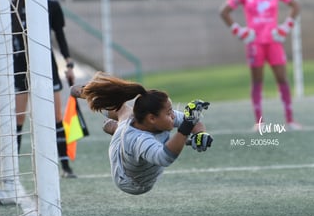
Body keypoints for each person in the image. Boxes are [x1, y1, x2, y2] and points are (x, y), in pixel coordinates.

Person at [71, 72, 213, 195]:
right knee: (123, 115)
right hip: (128, 181)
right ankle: (97, 105)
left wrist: (200, 133)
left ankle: (91, 95)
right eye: (169, 112)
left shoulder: (157, 118)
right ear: (152, 118)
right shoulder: (138, 140)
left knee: (124, 112)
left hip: (131, 135)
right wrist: (187, 126)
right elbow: (164, 158)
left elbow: (195, 122)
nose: (174, 116)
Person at [11, 0, 77, 178]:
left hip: (46, 66)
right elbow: (6, 40)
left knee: (56, 116)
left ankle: (65, 166)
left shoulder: (51, 5)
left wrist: (68, 63)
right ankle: (12, 169)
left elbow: (60, 35)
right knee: (19, 117)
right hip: (21, 66)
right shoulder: (11, 5)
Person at [220, 0, 301, 130]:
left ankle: (290, 120)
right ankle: (259, 122)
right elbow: (224, 11)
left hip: (273, 42)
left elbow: (296, 5)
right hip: (254, 44)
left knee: (282, 78)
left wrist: (285, 28)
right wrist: (239, 31)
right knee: (257, 81)